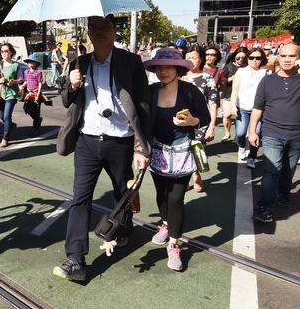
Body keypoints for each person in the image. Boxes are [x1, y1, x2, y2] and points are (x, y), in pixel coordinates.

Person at [53, 14, 150, 281]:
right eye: (93, 27)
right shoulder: (79, 62)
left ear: (113, 30)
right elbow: (66, 101)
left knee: (123, 192)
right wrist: (72, 85)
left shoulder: (130, 62)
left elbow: (142, 105)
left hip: (120, 141)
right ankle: (75, 258)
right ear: (88, 33)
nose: (98, 31)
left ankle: (126, 225)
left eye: (103, 26)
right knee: (80, 199)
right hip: (87, 141)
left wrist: (141, 147)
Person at [144, 48, 210, 271]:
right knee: (161, 195)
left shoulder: (190, 91)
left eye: (168, 67)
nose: (163, 71)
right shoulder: (151, 91)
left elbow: (205, 118)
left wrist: (192, 121)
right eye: (159, 67)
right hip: (157, 151)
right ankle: (165, 223)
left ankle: (174, 243)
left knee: (176, 198)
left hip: (182, 152)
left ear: (178, 69)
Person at [249, 44, 300, 223]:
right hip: (271, 132)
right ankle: (264, 208)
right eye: (283, 55)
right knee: (271, 169)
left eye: (291, 56)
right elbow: (257, 108)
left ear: (299, 57)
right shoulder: (267, 81)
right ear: (278, 57)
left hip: (297, 134)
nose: (287, 59)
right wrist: (252, 131)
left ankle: (283, 193)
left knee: (288, 169)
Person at [183, 46, 219, 192]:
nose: (191, 60)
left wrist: (211, 126)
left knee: (197, 151)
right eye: (188, 57)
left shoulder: (207, 78)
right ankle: (184, 178)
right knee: (182, 152)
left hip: (200, 123)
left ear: (201, 59)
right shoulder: (179, 77)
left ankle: (196, 174)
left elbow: (213, 103)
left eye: (194, 57)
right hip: (180, 122)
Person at [230, 48, 270, 169]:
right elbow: (234, 90)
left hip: (258, 109)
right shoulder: (241, 72)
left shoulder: (266, 73)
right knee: (240, 133)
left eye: (258, 58)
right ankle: (242, 147)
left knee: (257, 133)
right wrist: (232, 106)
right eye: (251, 57)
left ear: (262, 59)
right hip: (242, 107)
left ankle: (252, 156)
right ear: (247, 58)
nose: (254, 60)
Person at [0, 43, 24, 147]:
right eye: (2, 51)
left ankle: (5, 138)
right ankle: (11, 125)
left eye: (6, 51)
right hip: (1, 92)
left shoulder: (16, 65)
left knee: (7, 115)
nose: (4, 53)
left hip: (12, 94)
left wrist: (15, 81)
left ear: (11, 52)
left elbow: (21, 79)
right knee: (1, 116)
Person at [220, 47, 248, 142]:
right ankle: (227, 133)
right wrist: (231, 78)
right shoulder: (228, 66)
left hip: (244, 95)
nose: (241, 60)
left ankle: (239, 134)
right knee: (227, 115)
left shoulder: (248, 67)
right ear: (234, 57)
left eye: (243, 58)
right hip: (228, 93)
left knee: (240, 116)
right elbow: (222, 82)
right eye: (238, 58)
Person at [21, 54, 48, 134]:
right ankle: (38, 119)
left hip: (36, 93)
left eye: (32, 62)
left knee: (36, 111)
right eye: (29, 62)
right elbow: (26, 81)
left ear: (36, 63)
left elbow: (40, 84)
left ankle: (35, 127)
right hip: (29, 93)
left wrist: (38, 95)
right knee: (26, 108)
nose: (31, 63)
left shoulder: (38, 72)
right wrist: (23, 85)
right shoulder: (26, 72)